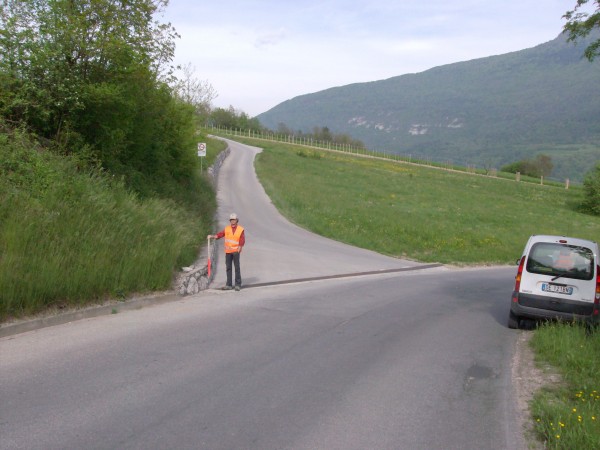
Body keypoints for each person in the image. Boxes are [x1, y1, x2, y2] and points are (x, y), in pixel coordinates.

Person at [208, 213, 245, 291]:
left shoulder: (240, 229)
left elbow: (242, 239)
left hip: (236, 251)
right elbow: (221, 234)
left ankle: (238, 284)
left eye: (234, 220)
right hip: (228, 252)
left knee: (237, 268)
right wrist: (213, 236)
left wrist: (240, 246)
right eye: (231, 220)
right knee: (228, 268)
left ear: (237, 220)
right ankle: (229, 284)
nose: (232, 221)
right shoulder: (227, 228)